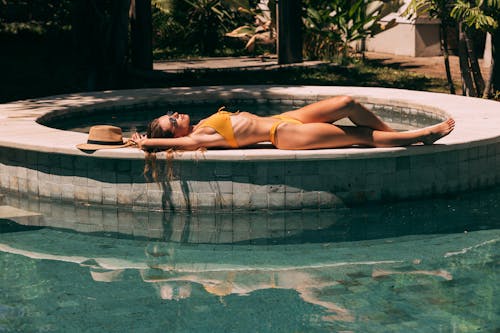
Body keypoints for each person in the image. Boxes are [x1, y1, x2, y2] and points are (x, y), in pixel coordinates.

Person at [131, 96, 455, 151]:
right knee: (359, 136)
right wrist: (149, 143)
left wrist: (147, 136)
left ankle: (398, 136)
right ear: (178, 132)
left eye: (172, 114)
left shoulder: (202, 123)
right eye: (172, 121)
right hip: (286, 135)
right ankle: (419, 136)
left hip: (285, 120)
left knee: (348, 104)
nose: (175, 115)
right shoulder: (201, 136)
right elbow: (184, 145)